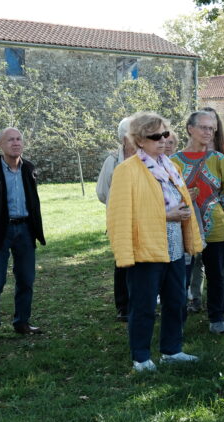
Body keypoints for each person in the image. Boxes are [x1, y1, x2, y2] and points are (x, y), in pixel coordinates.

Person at [106, 112, 203, 371]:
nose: (163, 140)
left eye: (165, 134)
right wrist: (166, 214)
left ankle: (172, 350)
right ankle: (141, 357)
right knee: (144, 304)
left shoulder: (170, 166)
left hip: (173, 245)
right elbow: (121, 214)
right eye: (155, 136)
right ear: (139, 140)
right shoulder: (127, 170)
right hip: (145, 247)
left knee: (176, 301)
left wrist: (182, 211)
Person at [0, 127, 46, 346]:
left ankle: (22, 322)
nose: (15, 143)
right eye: (10, 140)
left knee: (26, 279)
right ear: (0, 145)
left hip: (24, 230)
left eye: (18, 139)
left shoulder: (29, 169)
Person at [171, 111, 224, 335]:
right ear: (190, 128)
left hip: (216, 226)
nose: (208, 132)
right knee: (181, 276)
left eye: (212, 128)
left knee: (216, 274)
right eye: (204, 127)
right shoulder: (174, 162)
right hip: (184, 226)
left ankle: (217, 319)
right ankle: (177, 321)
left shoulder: (219, 160)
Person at [96, 117, 134, 322]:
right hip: (120, 219)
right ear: (123, 138)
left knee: (142, 262)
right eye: (132, 134)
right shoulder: (113, 160)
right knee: (122, 263)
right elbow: (102, 192)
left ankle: (140, 301)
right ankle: (123, 306)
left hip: (144, 219)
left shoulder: (148, 158)